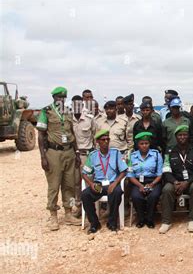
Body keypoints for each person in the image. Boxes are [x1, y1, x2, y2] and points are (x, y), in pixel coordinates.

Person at [36, 86, 82, 230]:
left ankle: (68, 213)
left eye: (63, 97)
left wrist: (77, 152)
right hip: (53, 152)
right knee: (54, 185)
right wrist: (43, 156)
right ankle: (53, 216)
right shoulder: (46, 111)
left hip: (69, 151)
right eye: (58, 97)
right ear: (54, 98)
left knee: (69, 184)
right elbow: (41, 135)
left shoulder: (68, 112)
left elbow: (72, 133)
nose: (61, 100)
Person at [81, 130, 128, 233]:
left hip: (112, 183)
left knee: (117, 192)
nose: (106, 141)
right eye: (103, 140)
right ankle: (94, 223)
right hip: (99, 185)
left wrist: (115, 183)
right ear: (98, 141)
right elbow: (84, 173)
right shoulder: (93, 156)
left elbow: (124, 171)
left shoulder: (115, 153)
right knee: (85, 194)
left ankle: (112, 223)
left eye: (108, 139)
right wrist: (91, 184)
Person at [160, 125, 193, 233]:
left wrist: (187, 182)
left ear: (188, 136)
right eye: (180, 135)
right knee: (166, 189)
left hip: (192, 181)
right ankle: (166, 221)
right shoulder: (169, 152)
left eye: (185, 134)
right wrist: (175, 182)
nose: (182, 137)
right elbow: (166, 171)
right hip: (175, 181)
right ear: (176, 137)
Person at [128, 132, 163, 228]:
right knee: (136, 196)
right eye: (141, 143)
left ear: (149, 144)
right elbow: (130, 175)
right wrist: (140, 186)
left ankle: (150, 219)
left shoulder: (156, 155)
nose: (144, 146)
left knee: (153, 195)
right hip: (137, 182)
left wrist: (152, 184)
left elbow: (160, 174)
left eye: (146, 143)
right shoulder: (132, 156)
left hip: (153, 181)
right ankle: (141, 218)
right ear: (138, 145)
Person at [72, 94, 96, 217]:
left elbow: (95, 137)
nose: (76, 107)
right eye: (74, 105)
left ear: (82, 105)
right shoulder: (68, 119)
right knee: (75, 183)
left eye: (79, 104)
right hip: (73, 156)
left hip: (87, 155)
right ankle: (78, 206)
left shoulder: (89, 118)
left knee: (89, 182)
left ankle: (90, 208)